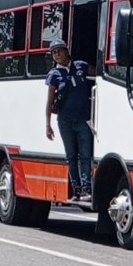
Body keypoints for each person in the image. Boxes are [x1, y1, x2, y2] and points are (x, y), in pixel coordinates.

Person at [45, 39, 95, 202]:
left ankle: (87, 189)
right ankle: (77, 191)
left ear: (67, 51)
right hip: (64, 120)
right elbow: (49, 100)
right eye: (54, 52)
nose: (57, 54)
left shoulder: (81, 66)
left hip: (83, 118)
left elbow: (100, 76)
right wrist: (48, 124)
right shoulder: (54, 74)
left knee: (85, 155)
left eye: (59, 50)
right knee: (71, 156)